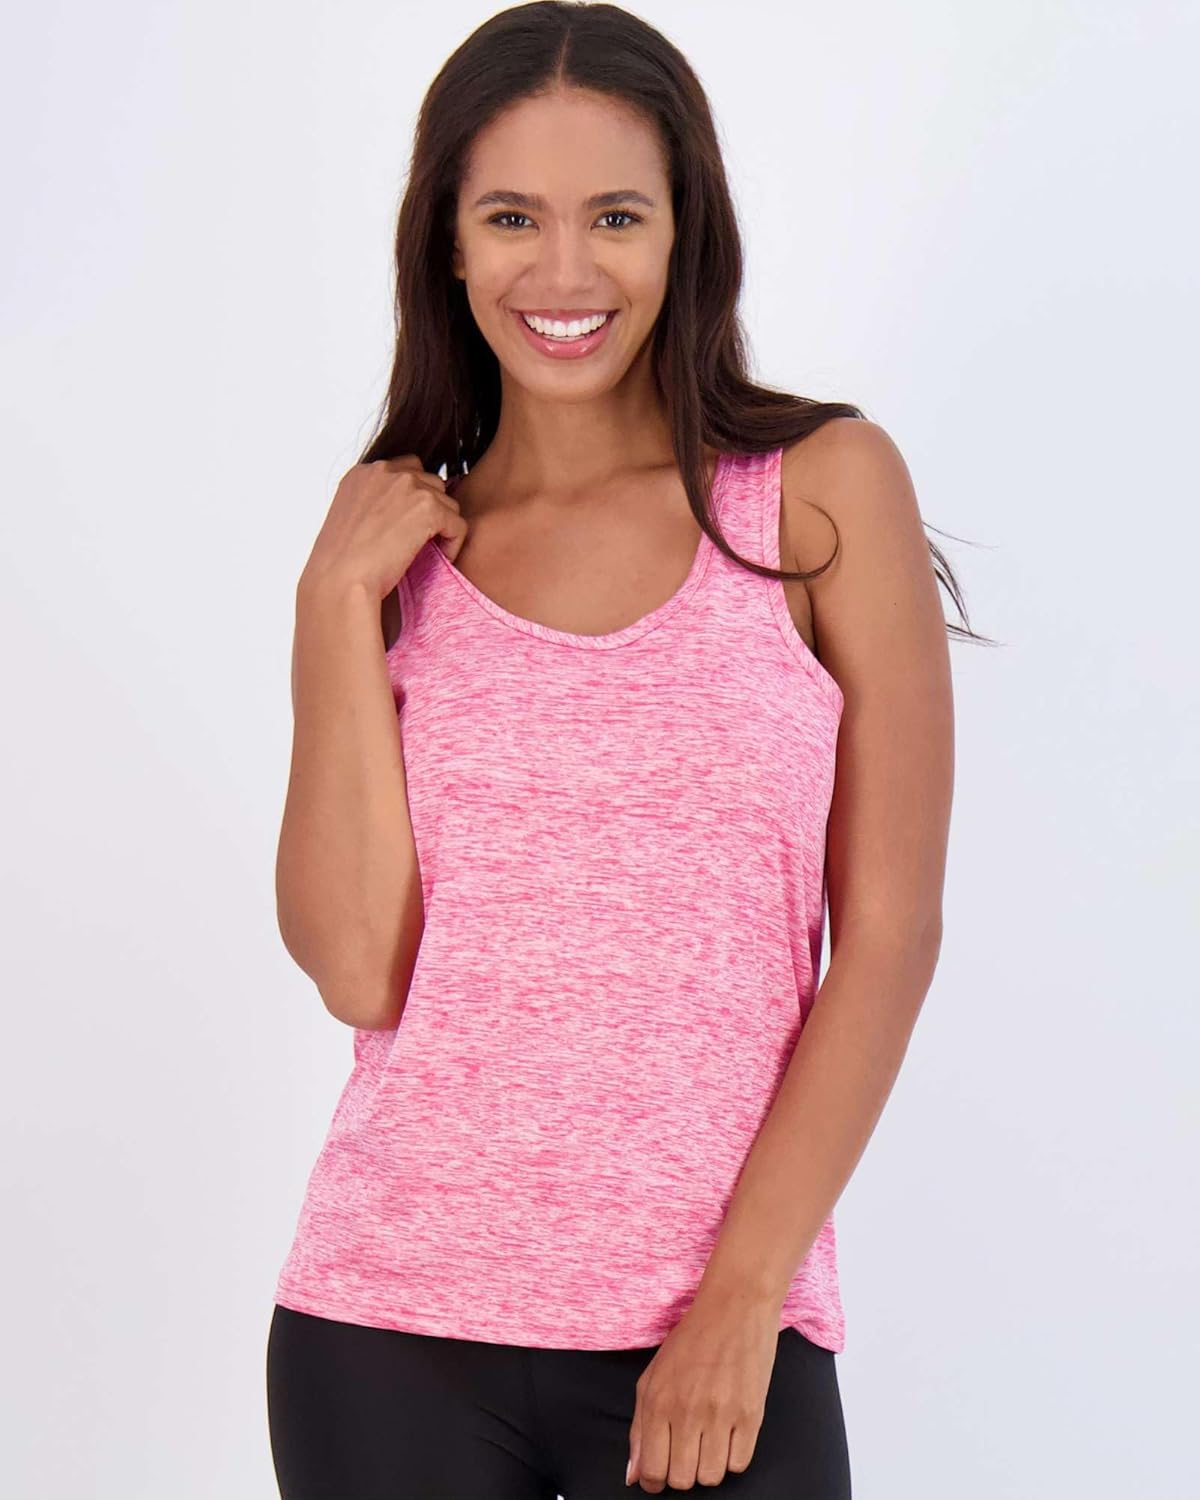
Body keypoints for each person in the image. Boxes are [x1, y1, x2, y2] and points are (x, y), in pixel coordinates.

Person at [265, 3, 971, 1495]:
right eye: (513, 217)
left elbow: (891, 935)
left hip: (715, 1336)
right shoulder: (398, 552)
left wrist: (742, 1301)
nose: (566, 274)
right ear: (449, 244)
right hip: (387, 1330)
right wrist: (330, 609)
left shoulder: (814, 494)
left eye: (617, 217)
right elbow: (359, 972)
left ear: (685, 231)